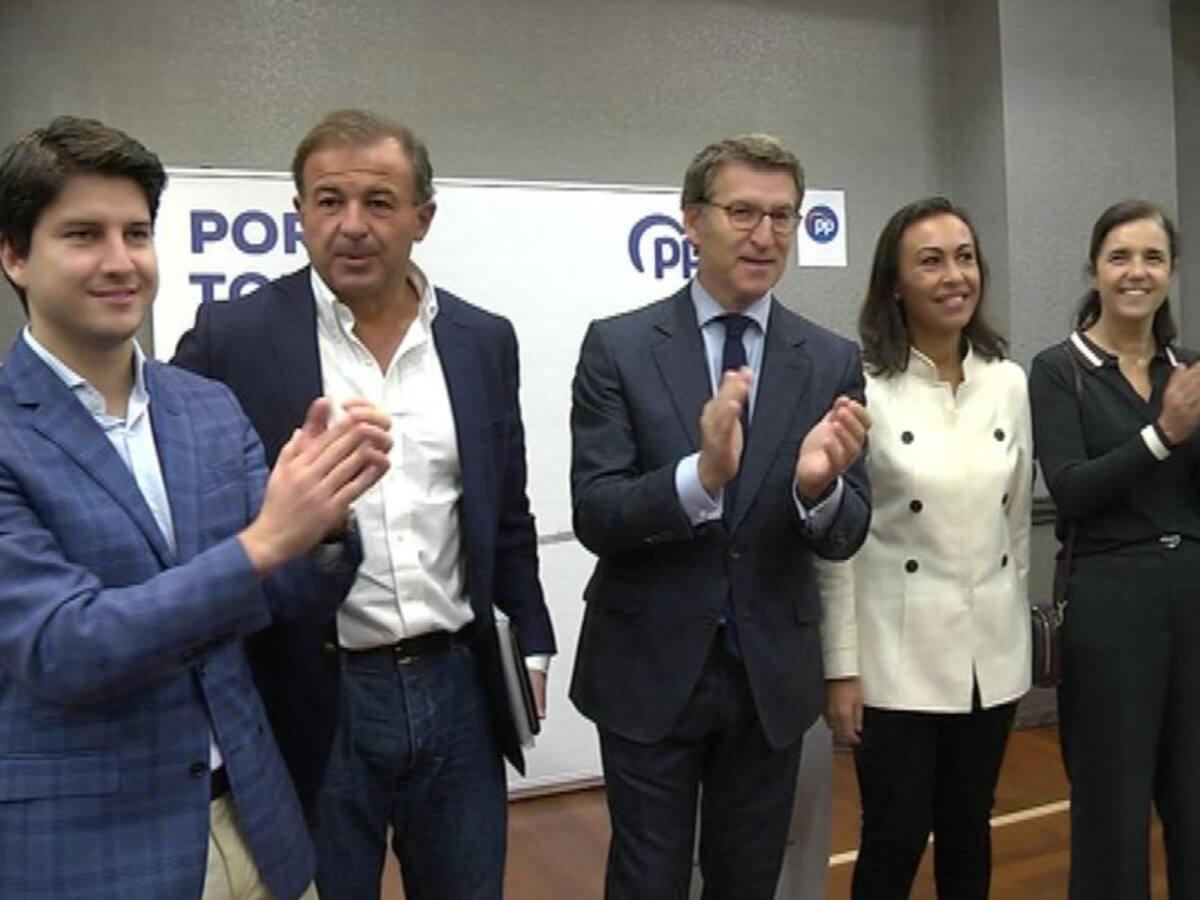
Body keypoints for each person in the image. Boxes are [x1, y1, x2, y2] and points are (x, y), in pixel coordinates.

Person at [0, 116, 391, 899]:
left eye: (136, 233)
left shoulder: (206, 406)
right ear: (14, 256)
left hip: (259, 822)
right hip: (97, 852)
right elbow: (64, 647)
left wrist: (323, 521)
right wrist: (265, 541)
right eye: (83, 235)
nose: (121, 262)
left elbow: (281, 601)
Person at [172, 108, 556, 900]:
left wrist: (532, 649)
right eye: (328, 201)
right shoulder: (231, 337)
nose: (352, 224)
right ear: (299, 214)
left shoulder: (482, 340)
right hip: (310, 691)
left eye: (379, 201)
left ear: (423, 217)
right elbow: (187, 517)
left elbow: (506, 515)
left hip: (459, 687)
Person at [569, 133, 871, 899]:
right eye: (743, 212)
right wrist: (698, 479)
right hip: (647, 667)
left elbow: (848, 531)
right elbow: (597, 514)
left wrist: (817, 490)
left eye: (782, 216)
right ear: (691, 219)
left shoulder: (829, 359)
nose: (765, 235)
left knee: (748, 880)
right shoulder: (619, 347)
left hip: (770, 675)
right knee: (648, 881)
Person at [819, 196, 1032, 898]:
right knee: (895, 835)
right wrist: (841, 668)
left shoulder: (1007, 382)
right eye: (931, 261)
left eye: (964, 258)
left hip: (988, 653)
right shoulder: (862, 389)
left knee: (970, 827)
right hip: (896, 654)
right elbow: (839, 541)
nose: (954, 276)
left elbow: (1016, 526)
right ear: (895, 283)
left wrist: (1016, 631)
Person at [1028, 199, 1200, 899]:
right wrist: (1163, 435)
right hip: (1106, 604)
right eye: (1120, 256)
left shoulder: (1188, 368)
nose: (1137, 271)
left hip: (1191, 592)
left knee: (1194, 798)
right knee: (1112, 804)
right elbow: (1071, 490)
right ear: (1095, 269)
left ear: (1171, 272)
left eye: (1153, 257)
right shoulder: (1057, 369)